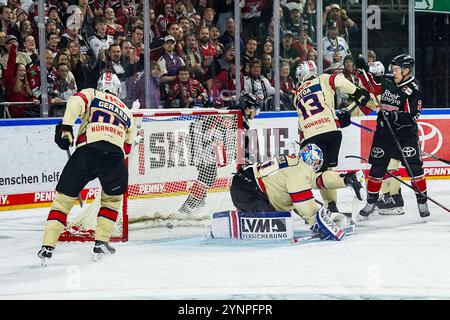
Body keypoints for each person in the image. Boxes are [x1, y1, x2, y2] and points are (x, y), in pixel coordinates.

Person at [37, 71, 136, 265]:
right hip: (114, 157)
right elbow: (127, 147)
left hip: (87, 151)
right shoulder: (127, 110)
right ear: (118, 89)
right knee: (112, 201)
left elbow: (75, 101)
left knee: (63, 202)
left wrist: (66, 127)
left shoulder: (92, 93)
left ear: (100, 85)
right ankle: (101, 243)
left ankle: (47, 246)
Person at [355, 54, 430, 218]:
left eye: (396, 69)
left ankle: (422, 200)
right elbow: (372, 85)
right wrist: (362, 70)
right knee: (377, 168)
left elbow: (413, 115)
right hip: (384, 134)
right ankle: (371, 202)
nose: (392, 72)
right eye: (392, 69)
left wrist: (394, 116)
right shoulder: (388, 81)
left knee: (414, 168)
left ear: (406, 70)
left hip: (405, 135)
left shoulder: (414, 88)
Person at [229, 143, 349, 241]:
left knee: (277, 220)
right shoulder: (298, 171)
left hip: (245, 183)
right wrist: (317, 222)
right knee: (274, 226)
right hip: (248, 188)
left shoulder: (296, 164)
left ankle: (243, 214)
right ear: (311, 160)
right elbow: (302, 201)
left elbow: (315, 181)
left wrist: (344, 180)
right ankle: (238, 220)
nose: (317, 167)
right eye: (317, 163)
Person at [294, 60, 370, 212]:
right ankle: (332, 207)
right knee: (327, 171)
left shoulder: (297, 96)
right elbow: (339, 80)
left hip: (311, 136)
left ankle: (349, 179)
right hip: (332, 132)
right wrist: (357, 92)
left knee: (313, 177)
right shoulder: (324, 78)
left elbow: (303, 121)